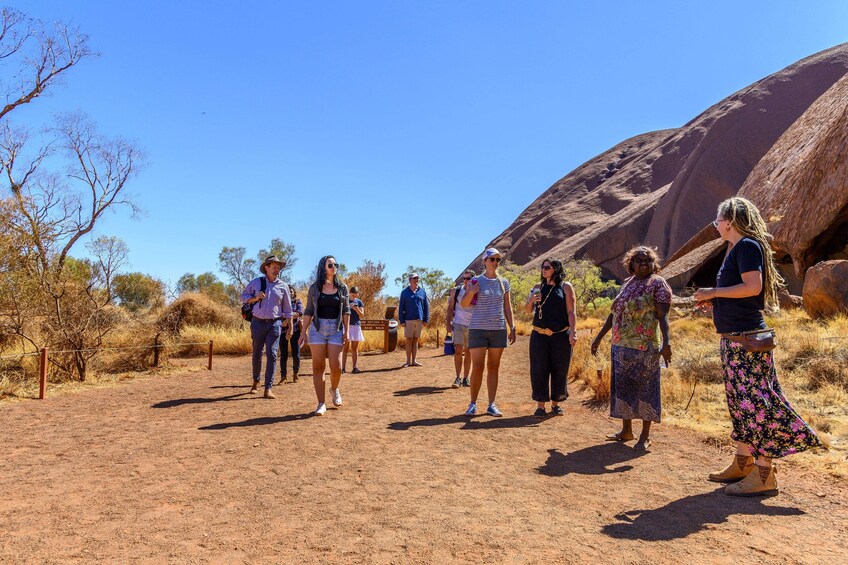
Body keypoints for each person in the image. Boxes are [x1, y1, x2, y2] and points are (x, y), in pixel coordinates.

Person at [694, 196, 820, 497]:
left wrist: (713, 291)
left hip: (747, 341)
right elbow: (741, 293)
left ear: (730, 220)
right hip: (735, 339)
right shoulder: (735, 249)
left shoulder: (748, 246)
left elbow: (753, 287)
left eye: (717, 218)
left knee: (757, 404)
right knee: (740, 402)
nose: (715, 224)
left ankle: (764, 474)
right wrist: (716, 302)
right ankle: (743, 461)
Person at [591, 246, 672, 451]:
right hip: (620, 345)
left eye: (648, 260)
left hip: (645, 346)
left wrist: (666, 342)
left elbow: (663, 317)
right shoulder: (627, 283)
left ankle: (645, 436)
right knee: (623, 388)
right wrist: (599, 338)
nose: (644, 263)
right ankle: (626, 431)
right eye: (639, 260)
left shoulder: (657, 283)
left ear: (654, 263)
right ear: (631, 265)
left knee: (646, 390)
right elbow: (614, 314)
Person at [461, 248, 516, 417]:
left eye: (498, 259)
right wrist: (471, 292)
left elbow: (507, 306)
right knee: (478, 367)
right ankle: (472, 404)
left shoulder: (504, 282)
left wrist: (512, 326)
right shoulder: (476, 281)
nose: (495, 262)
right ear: (484, 261)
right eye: (492, 259)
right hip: (478, 328)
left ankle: (491, 404)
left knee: (494, 366)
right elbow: (464, 304)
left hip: (498, 328)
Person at [524, 258, 577, 417]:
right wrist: (531, 300)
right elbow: (527, 310)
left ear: (556, 269)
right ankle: (540, 405)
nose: (544, 270)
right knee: (539, 369)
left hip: (560, 335)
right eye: (542, 267)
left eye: (547, 267)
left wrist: (573, 332)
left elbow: (571, 312)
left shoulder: (565, 287)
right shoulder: (537, 287)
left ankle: (556, 403)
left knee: (560, 369)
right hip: (539, 335)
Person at [299, 255, 350, 416]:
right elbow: (308, 311)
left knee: (336, 367)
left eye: (336, 264)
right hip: (317, 329)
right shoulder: (315, 288)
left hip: (336, 329)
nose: (334, 267)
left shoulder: (342, 288)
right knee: (318, 367)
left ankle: (334, 389)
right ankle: (321, 403)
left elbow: (347, 310)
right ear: (323, 267)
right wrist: (303, 332)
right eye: (330, 265)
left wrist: (347, 331)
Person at [240, 255, 293, 399]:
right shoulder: (256, 282)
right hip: (257, 322)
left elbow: (288, 309)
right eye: (274, 267)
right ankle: (256, 382)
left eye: (278, 267)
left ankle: (268, 388)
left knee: (272, 354)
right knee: (257, 353)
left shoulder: (283, 286)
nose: (277, 269)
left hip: (275, 324)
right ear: (266, 267)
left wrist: (291, 327)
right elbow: (243, 296)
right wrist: (255, 298)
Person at [446, 270, 475, 388]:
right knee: (458, 350)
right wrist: (448, 323)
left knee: (468, 352)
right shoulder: (456, 291)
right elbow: (450, 308)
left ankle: (465, 378)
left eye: (468, 278)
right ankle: (457, 377)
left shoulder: (476, 291)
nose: (466, 281)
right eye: (464, 278)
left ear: (473, 279)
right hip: (458, 323)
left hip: (472, 325)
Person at [398, 272, 429, 367]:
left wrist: (425, 319)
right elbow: (401, 307)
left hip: (419, 319)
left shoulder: (422, 292)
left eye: (417, 278)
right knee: (409, 339)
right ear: (410, 280)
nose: (416, 280)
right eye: (414, 278)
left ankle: (414, 361)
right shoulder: (404, 292)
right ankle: (407, 361)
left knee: (416, 340)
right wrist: (402, 320)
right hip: (408, 319)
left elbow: (426, 307)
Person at [278, 287, 303, 384]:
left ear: (294, 293)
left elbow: (300, 312)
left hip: (296, 331)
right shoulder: (280, 303)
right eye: (288, 292)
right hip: (282, 331)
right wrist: (290, 315)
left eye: (291, 291)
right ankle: (283, 377)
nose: (290, 293)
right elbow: (278, 314)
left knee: (296, 354)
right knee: (283, 355)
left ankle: (295, 374)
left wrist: (287, 316)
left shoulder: (297, 301)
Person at [342, 286, 364, 374]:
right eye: (352, 295)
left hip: (355, 325)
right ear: (349, 293)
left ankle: (355, 367)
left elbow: (362, 315)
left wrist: (356, 308)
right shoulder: (345, 300)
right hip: (346, 326)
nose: (354, 297)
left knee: (355, 348)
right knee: (345, 348)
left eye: (355, 295)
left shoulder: (359, 302)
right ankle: (342, 368)